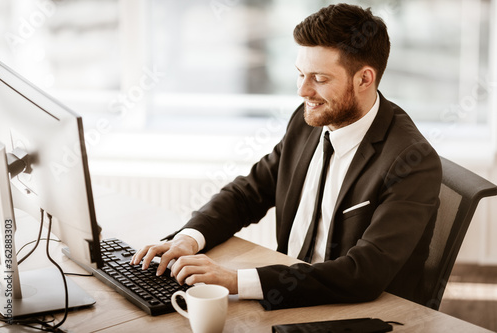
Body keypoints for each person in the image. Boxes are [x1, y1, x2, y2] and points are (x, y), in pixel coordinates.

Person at [131, 3, 442, 310]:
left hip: (359, 312)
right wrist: (189, 238)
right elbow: (247, 194)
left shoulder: (412, 161)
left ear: (364, 79)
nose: (303, 91)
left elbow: (364, 274)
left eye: (319, 79)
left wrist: (237, 281)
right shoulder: (308, 121)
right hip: (288, 294)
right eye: (299, 74)